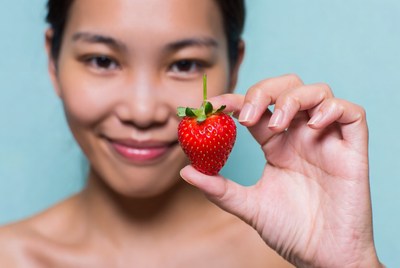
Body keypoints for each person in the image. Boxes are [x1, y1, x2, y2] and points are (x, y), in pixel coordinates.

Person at [0, 0, 384, 267]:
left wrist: (349, 265)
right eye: (102, 60)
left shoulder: (292, 255)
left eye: (184, 64)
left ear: (234, 68)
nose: (142, 111)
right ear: (53, 61)